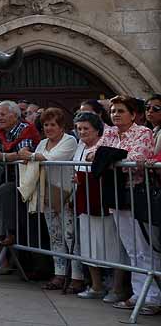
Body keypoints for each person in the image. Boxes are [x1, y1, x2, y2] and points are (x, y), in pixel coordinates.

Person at [86, 95, 160, 313]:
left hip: (137, 196)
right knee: (132, 249)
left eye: (121, 111)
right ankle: (140, 295)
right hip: (115, 196)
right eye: (113, 111)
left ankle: (152, 298)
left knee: (144, 249)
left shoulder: (143, 132)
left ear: (133, 114)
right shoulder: (109, 133)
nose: (116, 115)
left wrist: (108, 158)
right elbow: (92, 153)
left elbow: (136, 160)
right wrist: (111, 157)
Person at [18, 108, 80, 292]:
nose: (49, 128)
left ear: (61, 126)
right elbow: (35, 160)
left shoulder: (69, 140)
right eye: (46, 124)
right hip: (48, 195)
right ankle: (59, 274)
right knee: (55, 236)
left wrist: (28, 155)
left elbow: (52, 158)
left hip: (66, 194)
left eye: (53, 124)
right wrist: (29, 156)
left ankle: (77, 276)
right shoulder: (43, 142)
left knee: (71, 237)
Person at [72, 111, 129, 301]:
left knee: (114, 245)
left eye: (86, 128)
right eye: (79, 129)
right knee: (88, 245)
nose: (82, 132)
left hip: (103, 201)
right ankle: (96, 286)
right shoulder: (79, 146)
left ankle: (117, 288)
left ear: (97, 130)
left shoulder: (104, 146)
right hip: (84, 201)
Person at [0, 100, 40, 251]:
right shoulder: (1, 131)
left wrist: (3, 156)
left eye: (2, 114)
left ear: (15, 115)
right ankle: (13, 235)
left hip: (29, 181)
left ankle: (12, 233)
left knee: (7, 190)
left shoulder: (25, 129)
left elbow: (24, 154)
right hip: (14, 178)